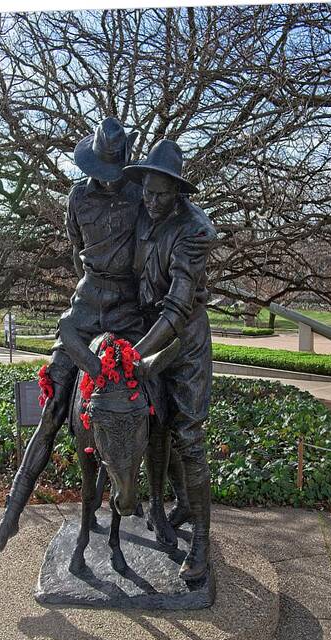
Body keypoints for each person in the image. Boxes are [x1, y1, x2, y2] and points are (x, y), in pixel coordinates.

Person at [0, 117, 145, 556]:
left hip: (129, 310)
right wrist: (92, 297)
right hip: (87, 302)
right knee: (54, 404)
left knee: (150, 393)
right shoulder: (76, 197)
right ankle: (11, 514)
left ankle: (154, 502)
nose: (106, 180)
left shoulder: (141, 196)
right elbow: (78, 254)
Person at [123, 139, 217, 581]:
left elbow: (178, 309)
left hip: (184, 344)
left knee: (188, 436)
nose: (151, 200)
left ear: (177, 191)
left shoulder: (195, 230)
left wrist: (132, 354)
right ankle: (167, 504)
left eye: (161, 194)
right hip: (147, 333)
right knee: (154, 423)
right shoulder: (143, 211)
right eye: (147, 192)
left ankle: (200, 541)